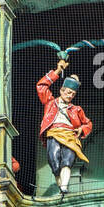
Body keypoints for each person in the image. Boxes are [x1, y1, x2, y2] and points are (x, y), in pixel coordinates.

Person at [36, 57, 92, 195]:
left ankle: (64, 187)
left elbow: (87, 123)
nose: (70, 96)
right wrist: (58, 71)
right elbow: (41, 86)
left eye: (73, 94)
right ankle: (61, 185)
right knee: (54, 162)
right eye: (68, 92)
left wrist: (81, 129)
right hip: (54, 133)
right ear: (61, 90)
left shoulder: (76, 109)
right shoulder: (50, 102)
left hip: (70, 136)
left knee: (67, 161)